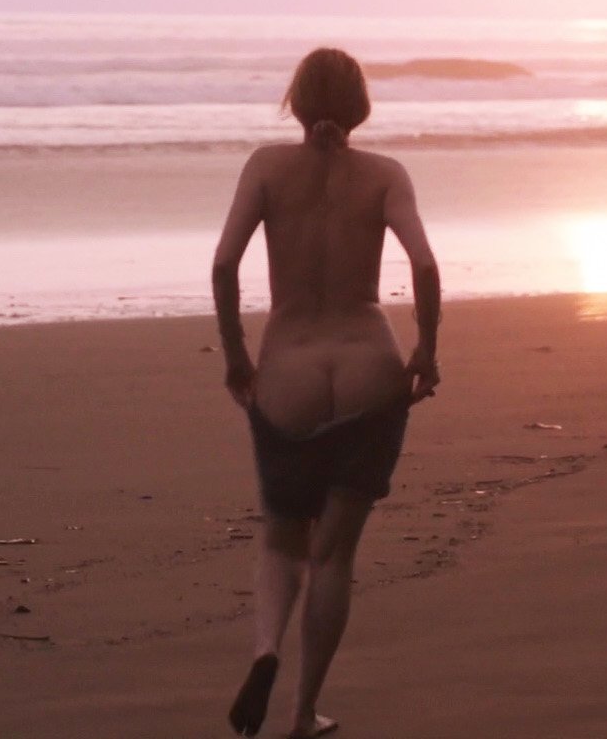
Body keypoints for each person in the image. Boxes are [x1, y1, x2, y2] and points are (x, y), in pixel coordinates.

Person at [212, 47, 442, 738]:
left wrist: (235, 355)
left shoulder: (266, 167)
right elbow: (425, 265)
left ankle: (266, 649)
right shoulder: (385, 174)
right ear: (360, 105)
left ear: (298, 100)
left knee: (282, 540)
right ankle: (304, 712)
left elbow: (223, 265)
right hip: (369, 365)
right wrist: (426, 349)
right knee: (334, 555)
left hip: (288, 369)